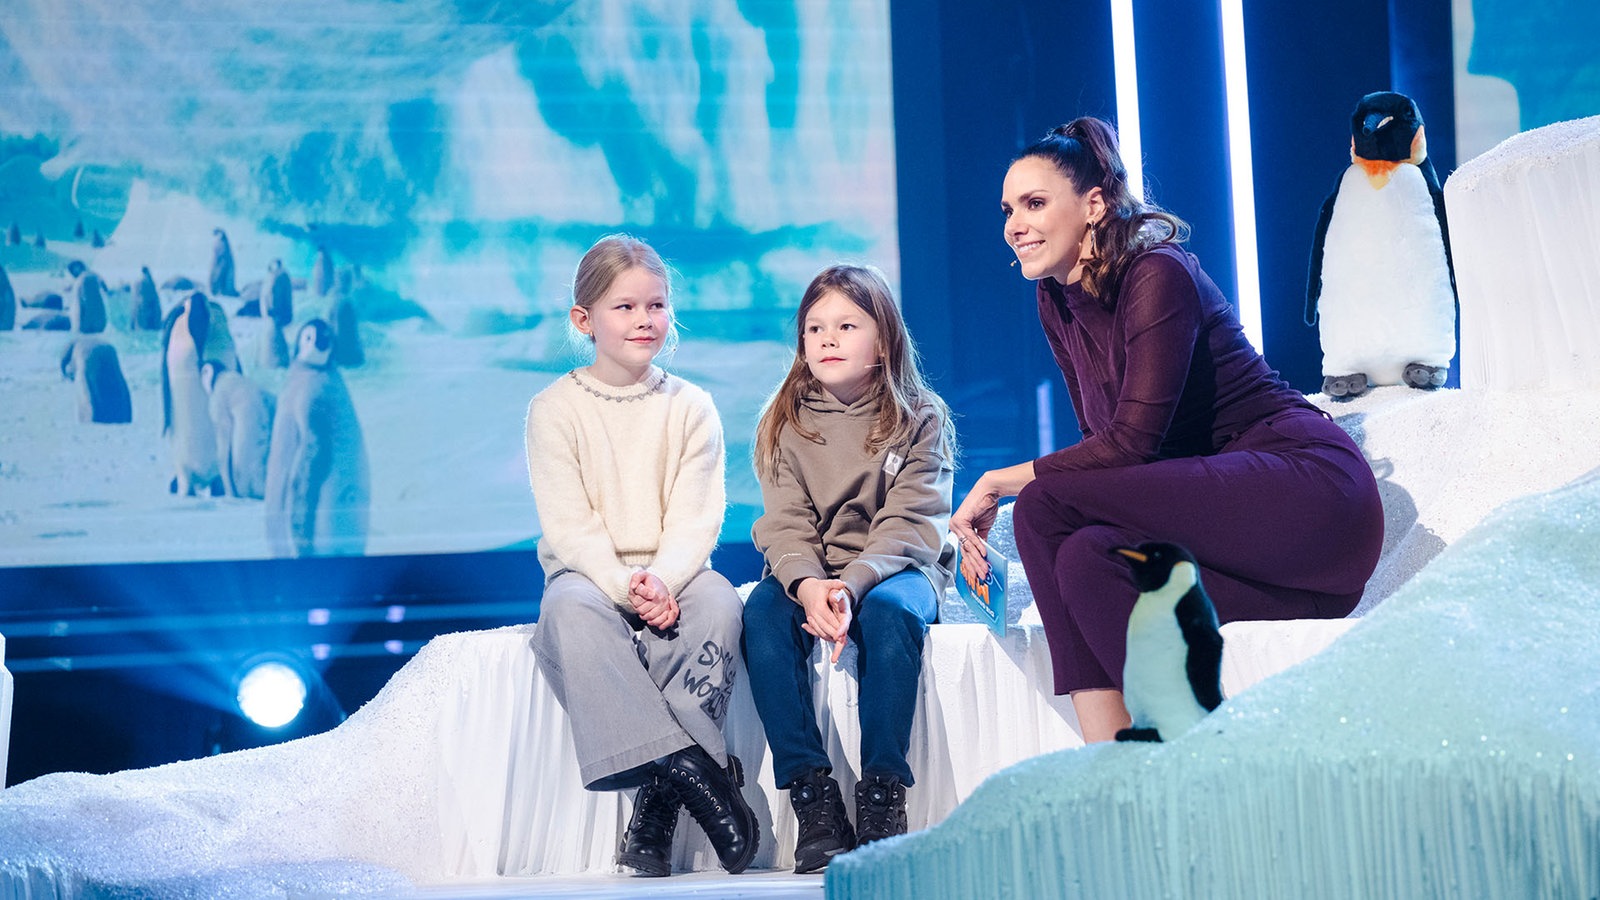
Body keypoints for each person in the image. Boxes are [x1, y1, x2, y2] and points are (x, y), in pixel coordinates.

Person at [949, 117, 1383, 744]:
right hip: (1264, 569)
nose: (1014, 225)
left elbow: (1129, 446)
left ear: (1094, 204)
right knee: (1083, 558)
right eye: (1008, 209)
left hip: (1310, 498)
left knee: (1040, 505)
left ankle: (1110, 761)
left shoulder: (1157, 272)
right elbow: (1105, 454)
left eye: (1035, 203)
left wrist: (1001, 481)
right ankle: (1148, 769)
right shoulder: (1057, 298)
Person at [525, 235, 757, 877]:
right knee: (569, 613)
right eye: (624, 307)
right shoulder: (555, 409)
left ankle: (657, 800)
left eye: (655, 305)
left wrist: (663, 578)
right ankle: (698, 770)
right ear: (584, 319)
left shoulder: (691, 406)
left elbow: (697, 516)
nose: (643, 320)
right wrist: (625, 585)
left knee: (717, 606)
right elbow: (569, 525)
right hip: (591, 571)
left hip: (673, 570)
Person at [742, 264, 957, 873]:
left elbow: (911, 523)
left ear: (883, 340)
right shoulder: (786, 419)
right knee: (760, 615)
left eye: (845, 325)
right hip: (812, 570)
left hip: (895, 570)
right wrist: (810, 585)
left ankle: (884, 796)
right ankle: (812, 795)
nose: (827, 339)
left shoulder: (918, 416)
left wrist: (853, 585)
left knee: (890, 617)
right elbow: (785, 522)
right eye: (814, 327)